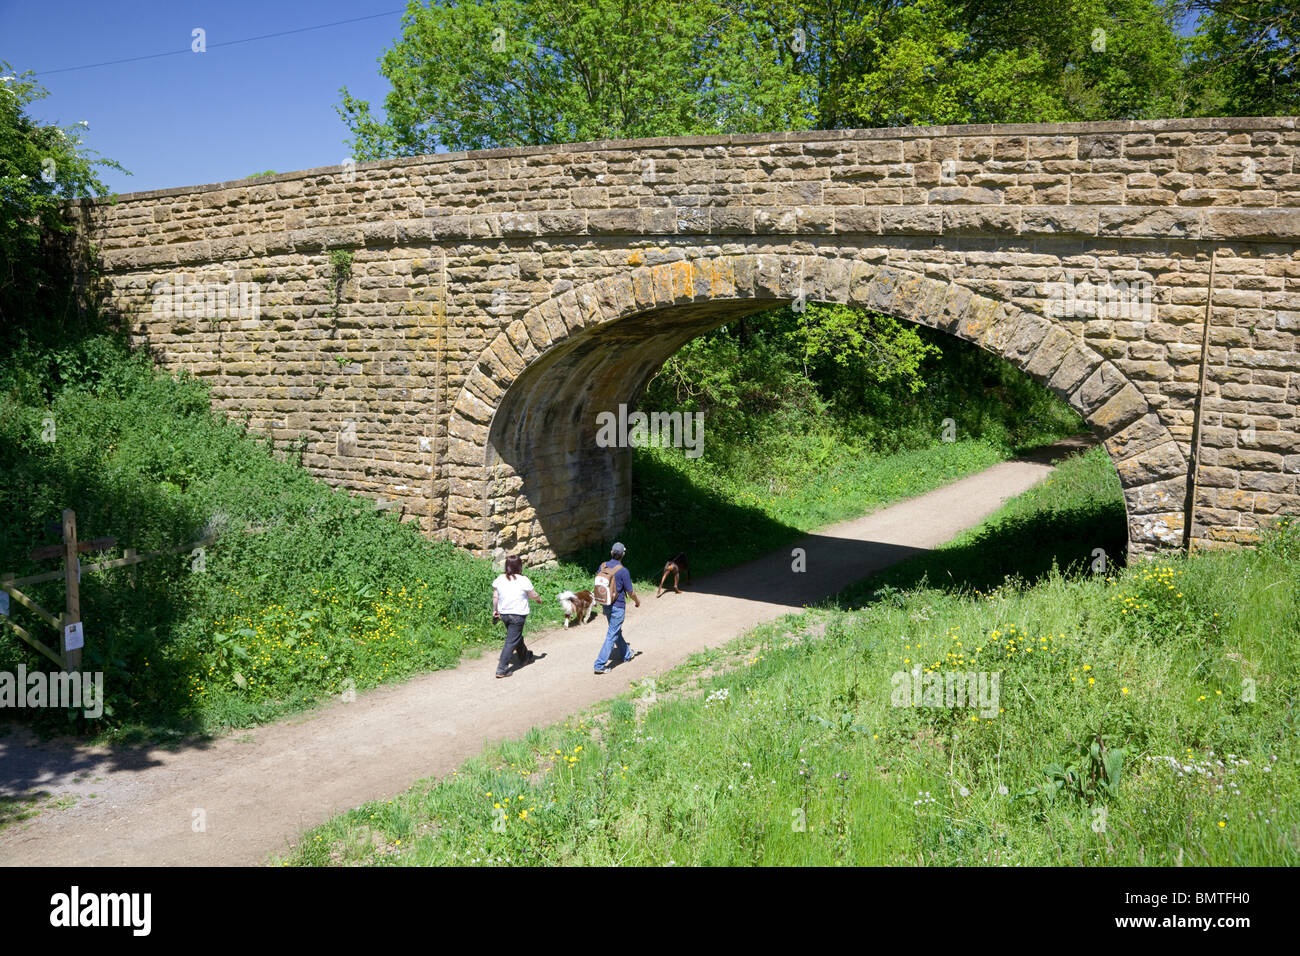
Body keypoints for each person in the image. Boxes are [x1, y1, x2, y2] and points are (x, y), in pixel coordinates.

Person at [593, 541, 641, 675]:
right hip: (618, 607)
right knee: (612, 634)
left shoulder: (602, 566)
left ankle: (627, 654)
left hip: (606, 604)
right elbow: (630, 592)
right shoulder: (623, 571)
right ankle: (599, 664)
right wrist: (637, 601)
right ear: (623, 554)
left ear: (611, 553)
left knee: (615, 631)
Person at [491, 554, 541, 678]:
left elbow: (495, 597)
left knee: (515, 636)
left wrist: (495, 610)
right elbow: (532, 594)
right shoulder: (523, 579)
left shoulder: (500, 578)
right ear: (519, 566)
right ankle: (502, 669)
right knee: (511, 640)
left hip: (504, 614)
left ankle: (524, 657)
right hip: (518, 614)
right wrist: (538, 599)